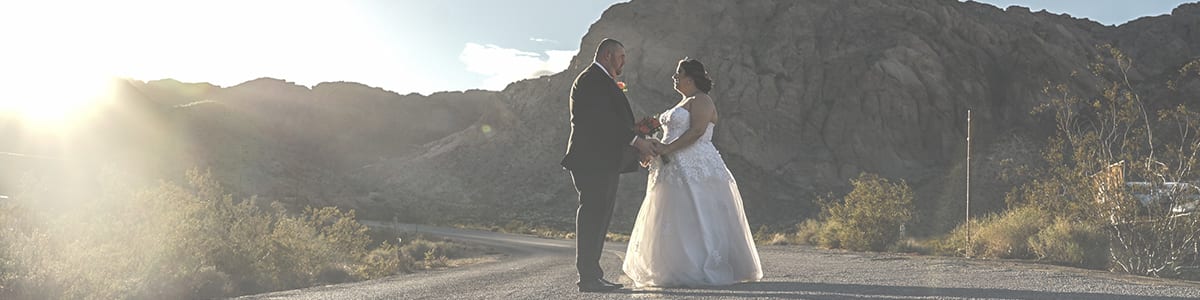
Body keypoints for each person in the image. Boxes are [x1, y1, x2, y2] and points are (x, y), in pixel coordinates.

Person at [622, 58, 763, 288]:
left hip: (696, 166)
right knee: (671, 217)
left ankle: (700, 266)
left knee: (697, 213)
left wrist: (667, 148)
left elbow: (697, 131)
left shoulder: (702, 100)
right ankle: (674, 267)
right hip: (669, 168)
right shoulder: (682, 102)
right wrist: (653, 149)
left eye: (678, 73)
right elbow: (671, 134)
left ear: (690, 77)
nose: (674, 77)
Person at [560, 38, 659, 292]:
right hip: (592, 160)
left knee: (600, 216)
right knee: (593, 215)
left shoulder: (601, 79)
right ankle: (589, 278)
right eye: (621, 56)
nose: (624, 61)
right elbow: (601, 121)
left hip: (603, 160)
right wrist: (637, 141)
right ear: (607, 56)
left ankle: (593, 275)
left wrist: (635, 137)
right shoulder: (592, 79)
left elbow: (612, 121)